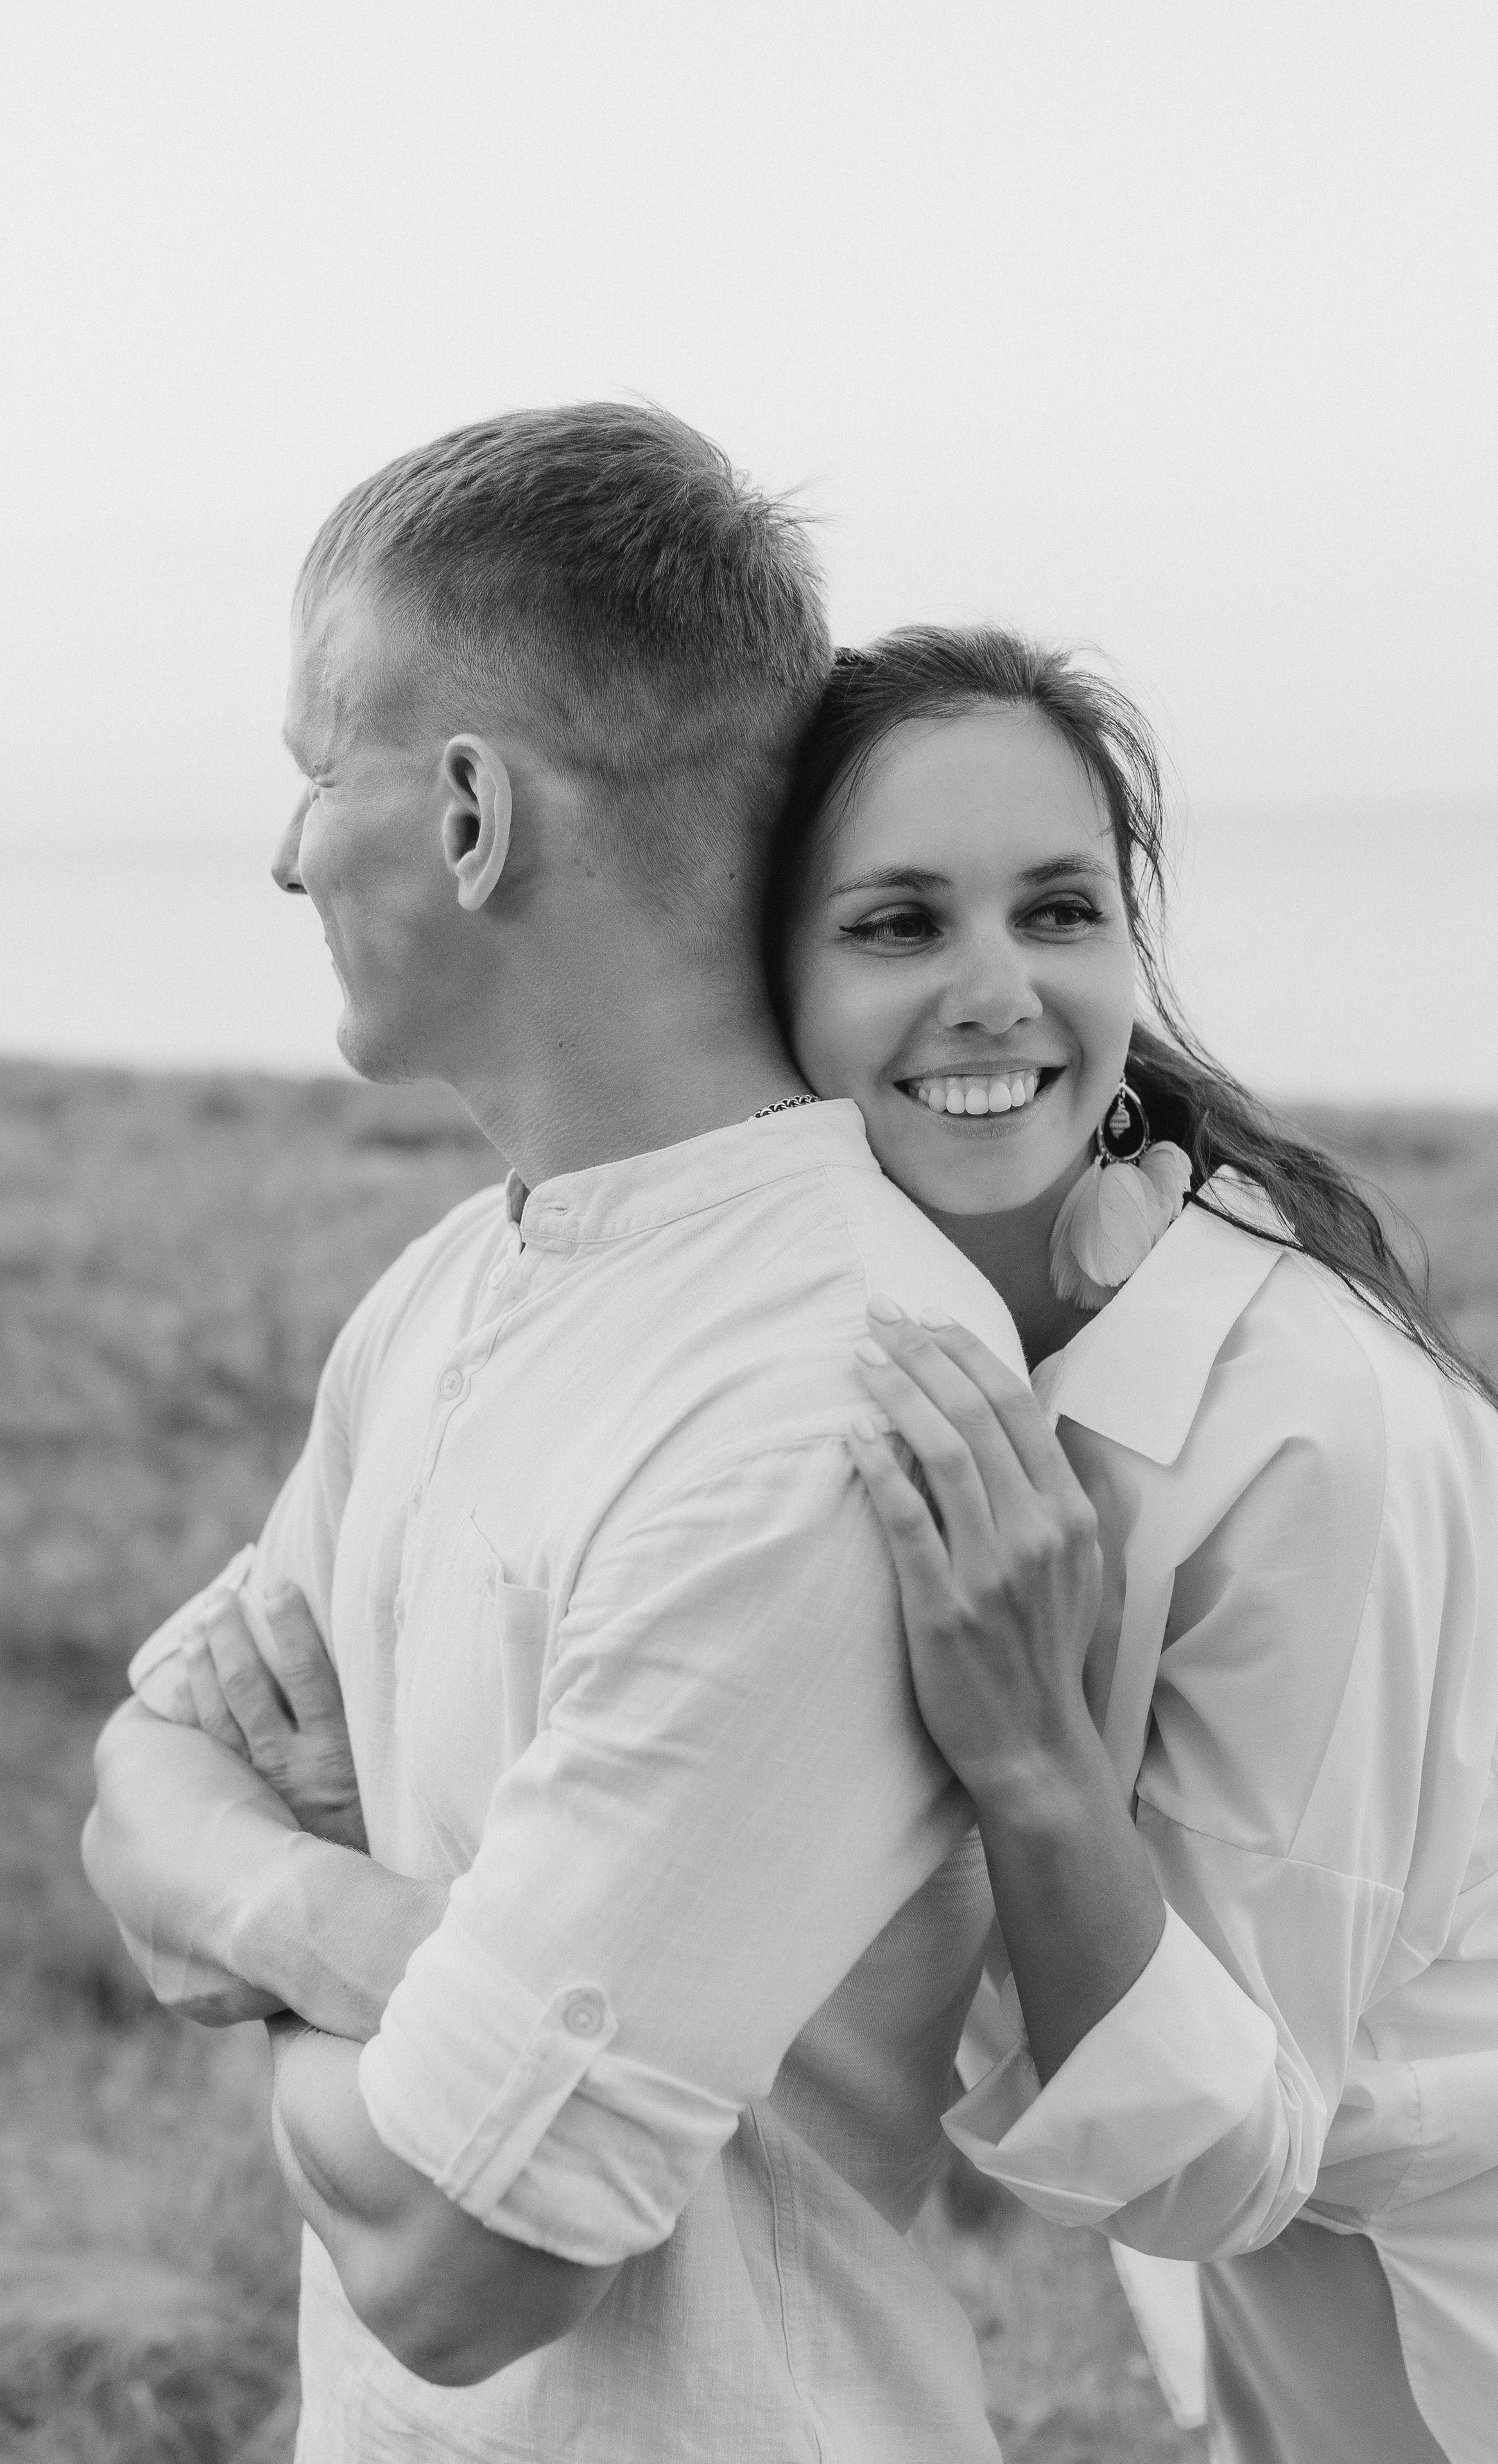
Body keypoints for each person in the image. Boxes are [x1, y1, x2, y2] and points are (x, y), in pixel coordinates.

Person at [82, 409, 1031, 2463]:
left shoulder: (821, 1402)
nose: (284, 855)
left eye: (315, 771)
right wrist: (353, 1936)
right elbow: (137, 1780)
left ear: (472, 815)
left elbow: (461, 2266)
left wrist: (242, 1914)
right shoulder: (446, 1285)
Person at [767, 625, 1498, 2464]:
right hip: (1286, 2260)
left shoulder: (1301, 1425)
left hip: (1438, 2295)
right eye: (900, 923)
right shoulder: (907, 1342)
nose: (998, 991)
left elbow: (1224, 2153)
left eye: (1061, 912)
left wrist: (1031, 1754)